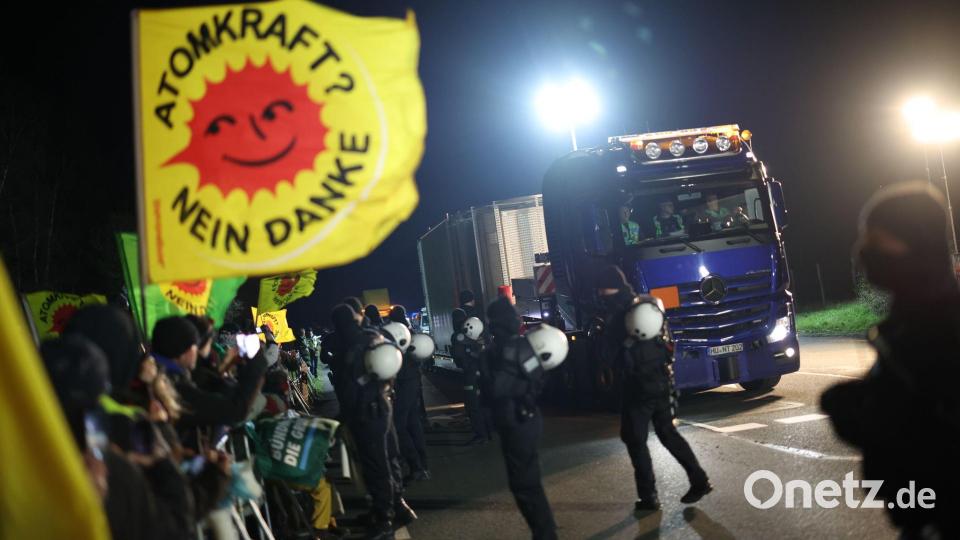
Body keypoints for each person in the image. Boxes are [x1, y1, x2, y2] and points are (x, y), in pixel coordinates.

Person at [821, 183, 960, 538]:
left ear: (917, 243)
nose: (863, 251)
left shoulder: (940, 325)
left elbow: (924, 428)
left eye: (878, 239)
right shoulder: (908, 321)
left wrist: (859, 413)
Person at [594, 265, 712, 512]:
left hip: (637, 388)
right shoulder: (648, 305)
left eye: (601, 289)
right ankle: (699, 479)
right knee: (667, 433)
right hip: (661, 381)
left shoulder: (618, 316)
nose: (600, 294)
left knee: (634, 439)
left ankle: (649, 497)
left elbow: (608, 355)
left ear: (608, 288)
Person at [330, 304, 415, 539]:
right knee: (390, 459)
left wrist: (343, 417)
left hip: (366, 413)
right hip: (384, 405)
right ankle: (398, 507)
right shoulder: (375, 336)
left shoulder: (352, 347)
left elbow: (349, 389)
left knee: (376, 466)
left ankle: (384, 518)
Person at [482, 297, 557, 540]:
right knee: (527, 481)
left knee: (525, 484)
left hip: (515, 421)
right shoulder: (523, 346)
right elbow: (539, 380)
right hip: (526, 417)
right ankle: (544, 533)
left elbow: (492, 390)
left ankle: (545, 535)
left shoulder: (497, 352)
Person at [151, 316, 268, 451]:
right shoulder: (173, 387)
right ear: (187, 351)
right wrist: (257, 364)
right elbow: (235, 410)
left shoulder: (159, 371)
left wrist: (226, 365)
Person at [387, 305, 430, 482]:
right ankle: (423, 464)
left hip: (403, 382)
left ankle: (416, 466)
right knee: (414, 423)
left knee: (399, 424)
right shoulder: (411, 332)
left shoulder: (392, 334)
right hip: (413, 381)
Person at [451, 308, 492, 444]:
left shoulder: (459, 337)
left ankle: (481, 435)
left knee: (473, 406)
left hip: (470, 376)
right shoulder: (480, 336)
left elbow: (459, 358)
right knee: (484, 404)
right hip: (483, 375)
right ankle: (489, 431)